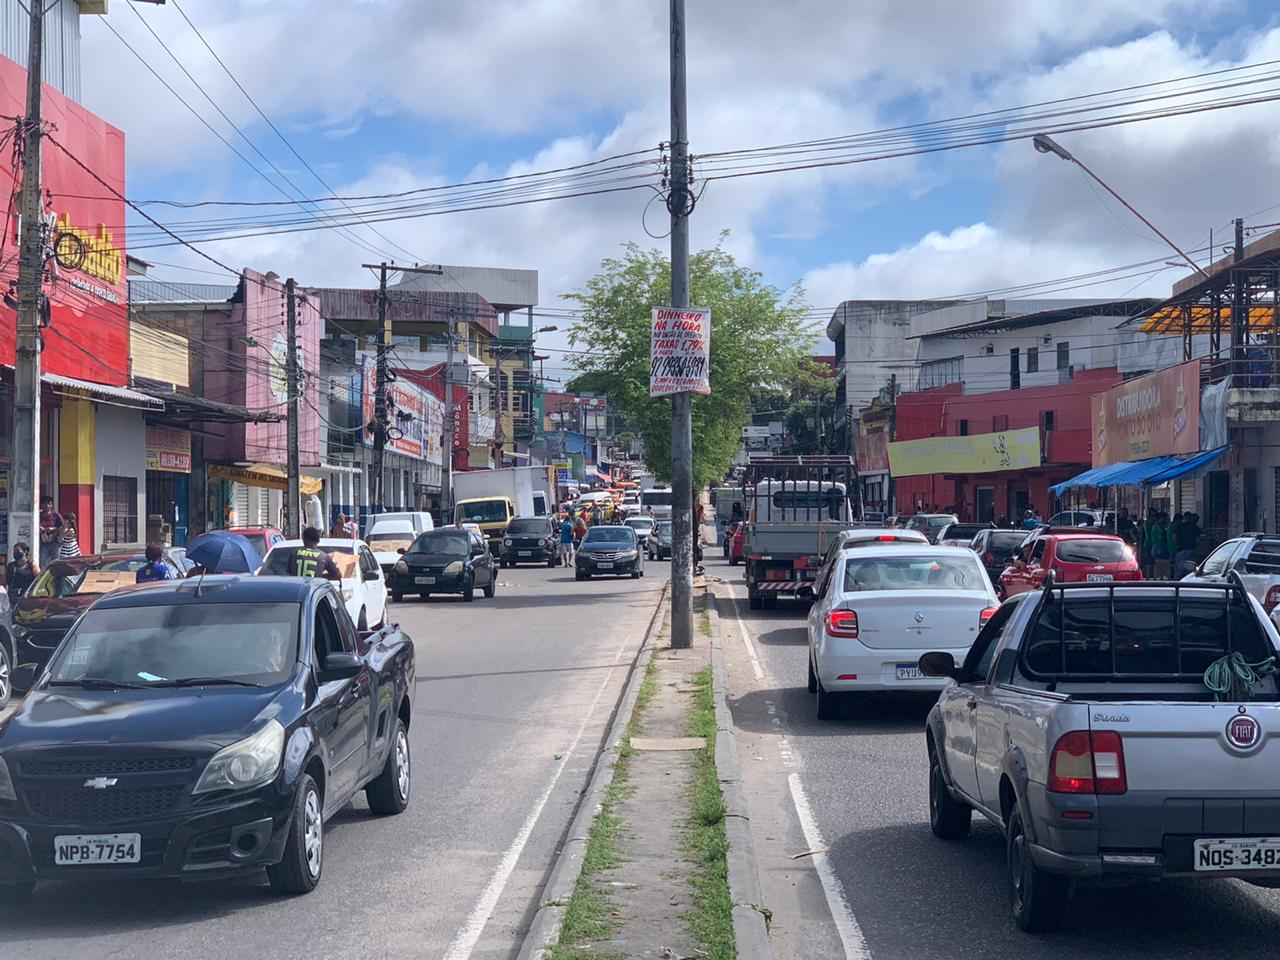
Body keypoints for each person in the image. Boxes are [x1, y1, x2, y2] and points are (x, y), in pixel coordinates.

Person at [38, 495, 62, 567]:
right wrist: (39, 528)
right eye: (45, 504)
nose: (47, 506)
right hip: (43, 543)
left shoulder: (56, 515)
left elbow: (62, 527)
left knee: (56, 561)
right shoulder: (38, 515)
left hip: (54, 543)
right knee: (41, 561)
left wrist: (53, 529)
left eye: (49, 504)